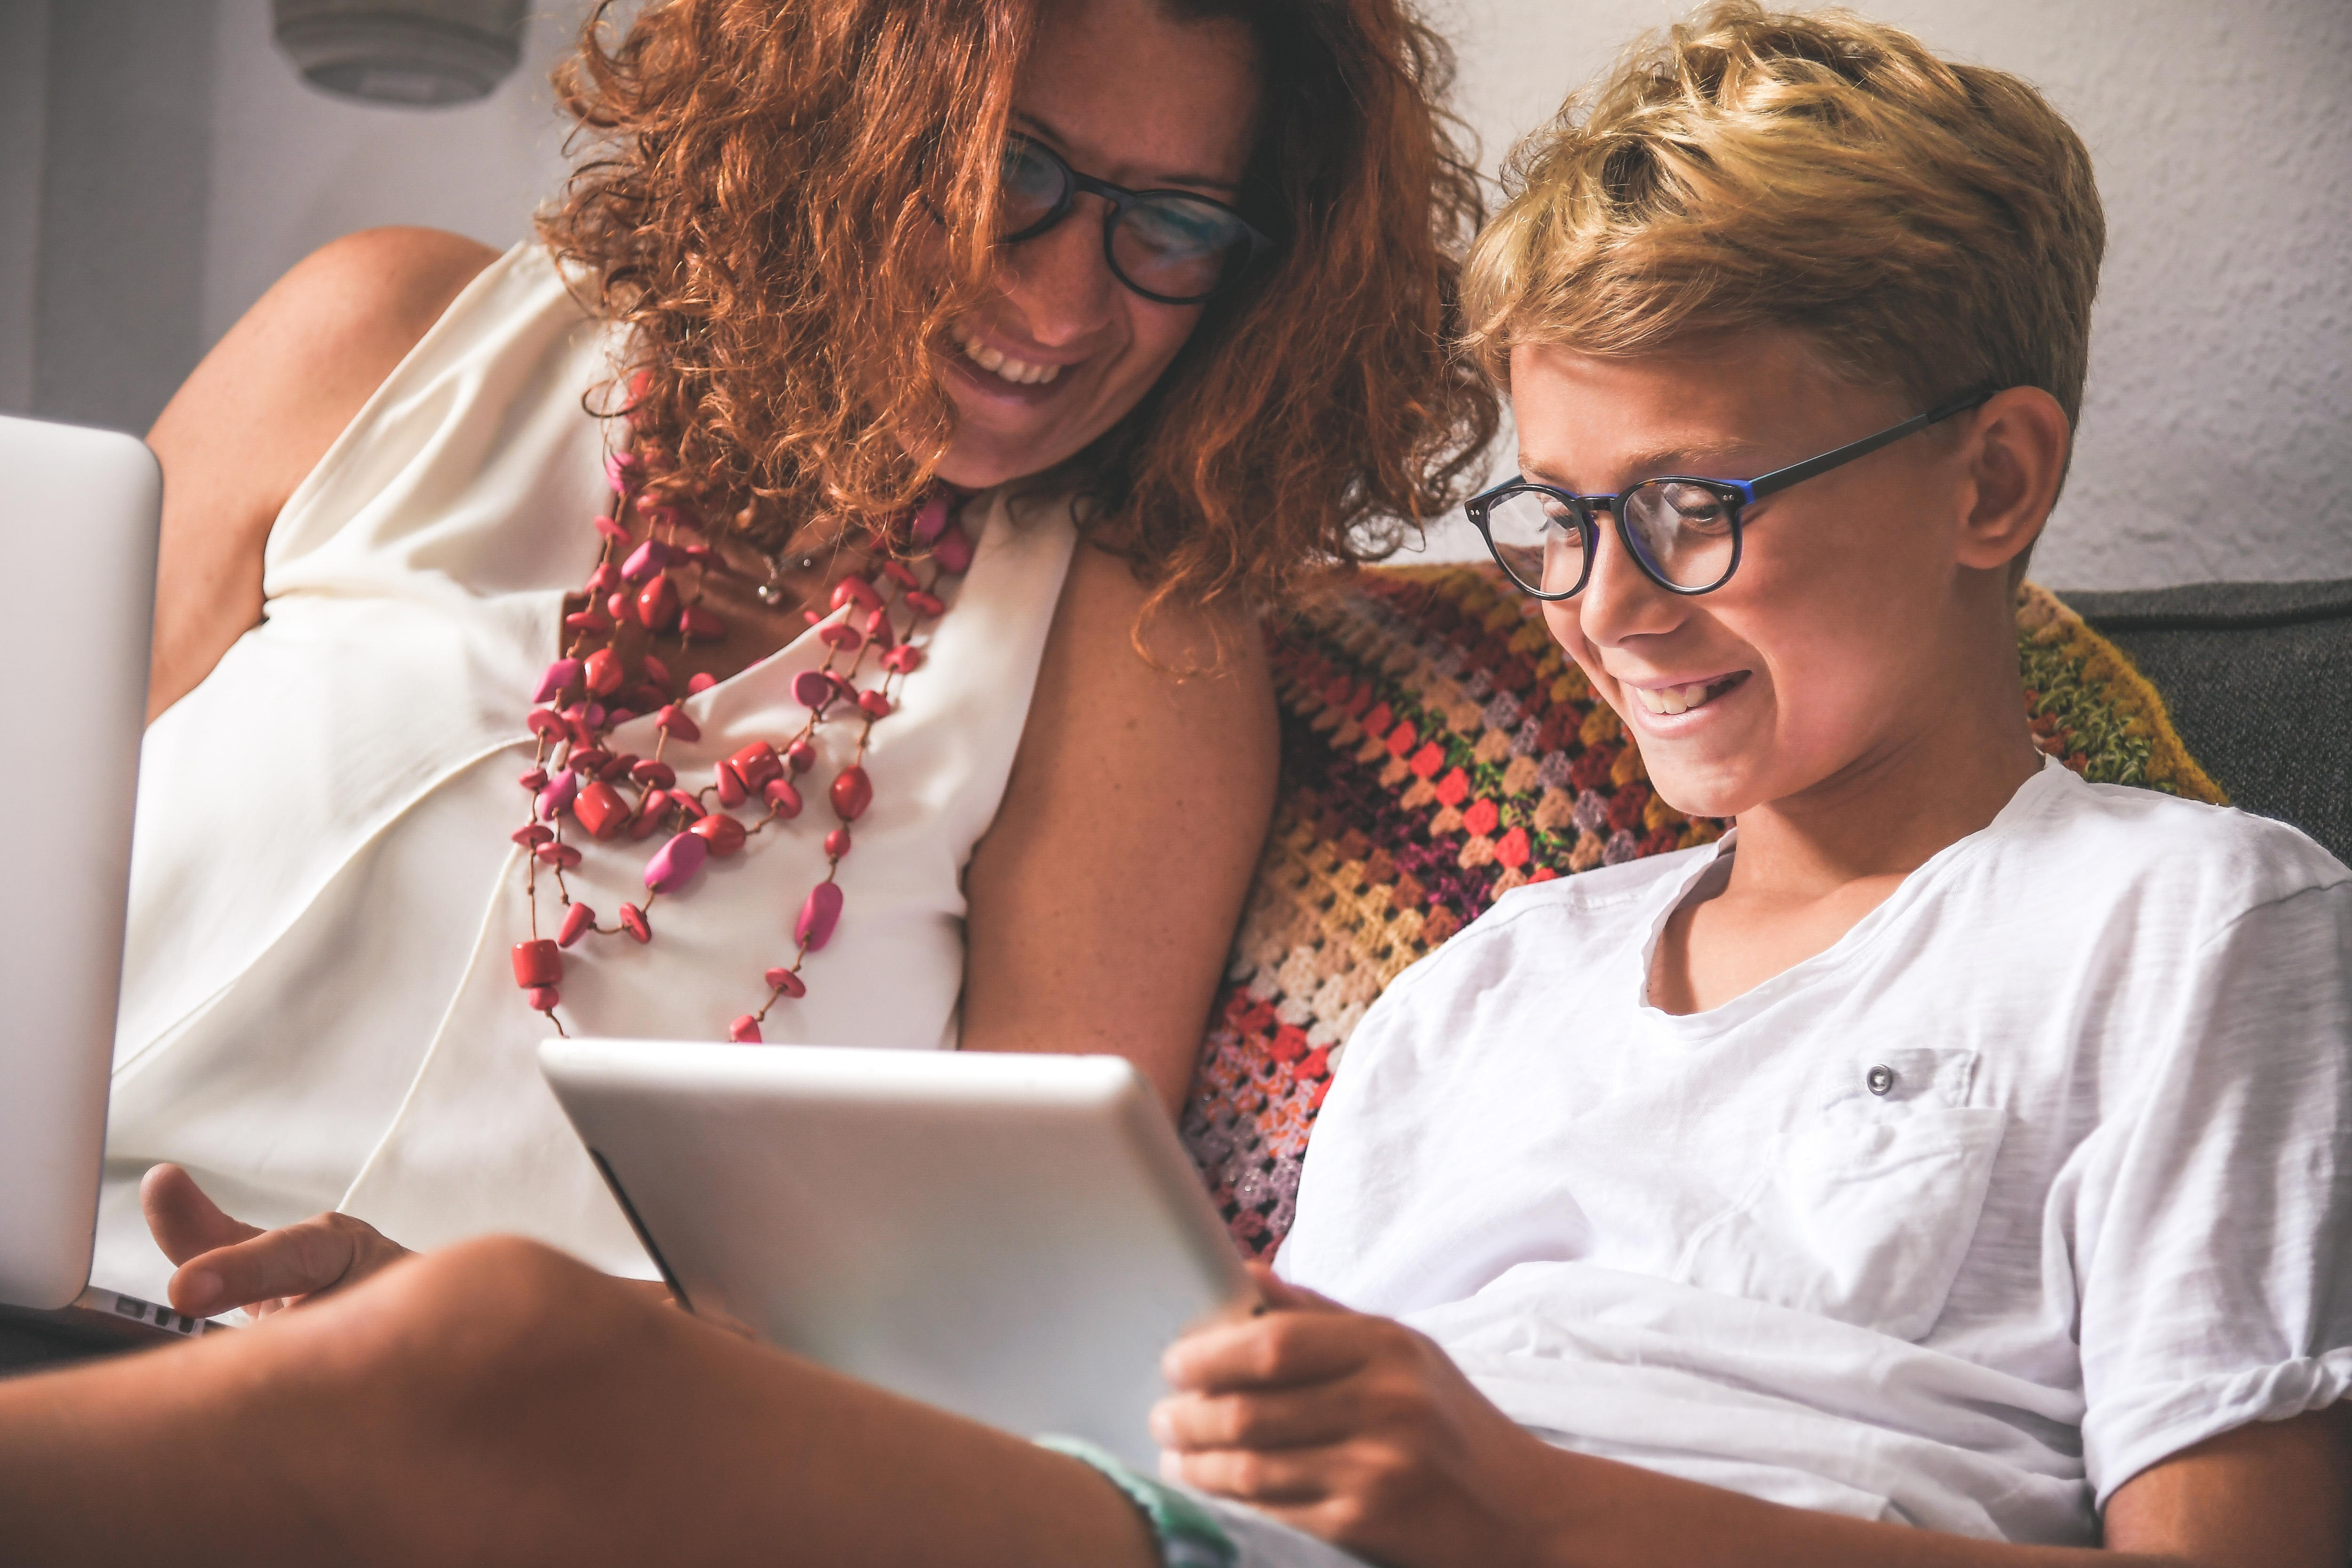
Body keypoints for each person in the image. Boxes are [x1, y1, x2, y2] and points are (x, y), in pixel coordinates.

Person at [6, 5, 2346, 1566]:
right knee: (490, 1348)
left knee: (484, 1349)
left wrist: (1512, 1501)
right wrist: (635, 1380)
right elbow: (1118, 1419)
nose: (1605, 604)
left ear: (1990, 479)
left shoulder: (2186, 922)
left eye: (1700, 508)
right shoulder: (1480, 990)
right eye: (1548, 518)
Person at [90, 0, 1495, 1305]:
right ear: (828, 116)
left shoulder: (1131, 647)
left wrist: (532, 1350)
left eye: (1179, 227)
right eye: (1012, 172)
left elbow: (1005, 1310)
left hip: (523, 1448)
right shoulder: (378, 340)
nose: (1068, 307)